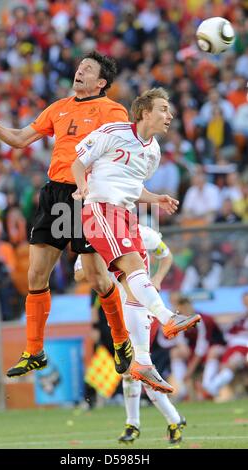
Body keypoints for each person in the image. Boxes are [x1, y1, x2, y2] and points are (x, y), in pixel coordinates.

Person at [0, 51, 134, 378]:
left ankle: (121, 339)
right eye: (79, 67)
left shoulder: (111, 111)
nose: (79, 72)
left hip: (86, 197)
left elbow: (124, 153)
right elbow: (20, 139)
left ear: (101, 82)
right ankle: (34, 351)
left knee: (97, 278)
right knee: (35, 275)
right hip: (55, 195)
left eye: (87, 69)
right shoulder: (59, 108)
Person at [72, 87, 201, 387]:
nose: (169, 115)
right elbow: (79, 162)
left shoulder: (153, 152)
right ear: (144, 112)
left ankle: (142, 360)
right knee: (135, 269)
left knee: (134, 291)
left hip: (126, 215)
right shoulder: (114, 131)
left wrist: (155, 199)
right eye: (164, 109)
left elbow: (133, 186)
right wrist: (82, 187)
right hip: (99, 209)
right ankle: (168, 318)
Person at [74, 224, 187, 444]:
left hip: (140, 309)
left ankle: (153, 421)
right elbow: (78, 274)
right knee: (130, 369)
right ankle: (146, 422)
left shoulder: (141, 233)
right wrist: (96, 262)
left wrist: (157, 279)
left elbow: (165, 255)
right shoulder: (96, 238)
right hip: (116, 314)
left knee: (139, 367)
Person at [169, 294, 226, 402]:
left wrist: (190, 371)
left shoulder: (202, 320)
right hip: (195, 350)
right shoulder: (179, 319)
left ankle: (208, 386)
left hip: (213, 348)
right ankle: (182, 389)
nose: (184, 310)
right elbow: (180, 340)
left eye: (186, 307)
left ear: (190, 306)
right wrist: (182, 347)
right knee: (175, 352)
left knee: (212, 351)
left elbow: (202, 348)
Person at [202, 291, 248, 399]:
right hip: (231, 345)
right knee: (213, 350)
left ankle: (213, 387)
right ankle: (206, 384)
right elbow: (227, 334)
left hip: (244, 348)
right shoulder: (240, 318)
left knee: (234, 360)